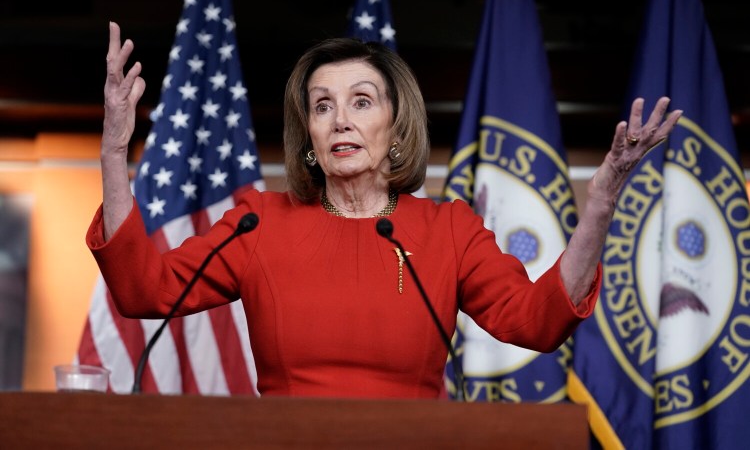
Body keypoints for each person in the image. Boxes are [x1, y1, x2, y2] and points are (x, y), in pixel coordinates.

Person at [87, 22, 681, 399]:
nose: (340, 118)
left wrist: (601, 201)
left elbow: (539, 321)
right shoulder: (259, 222)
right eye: (322, 107)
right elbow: (143, 290)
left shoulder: (446, 229)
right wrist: (116, 151)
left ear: (395, 127)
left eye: (360, 102)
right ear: (310, 135)